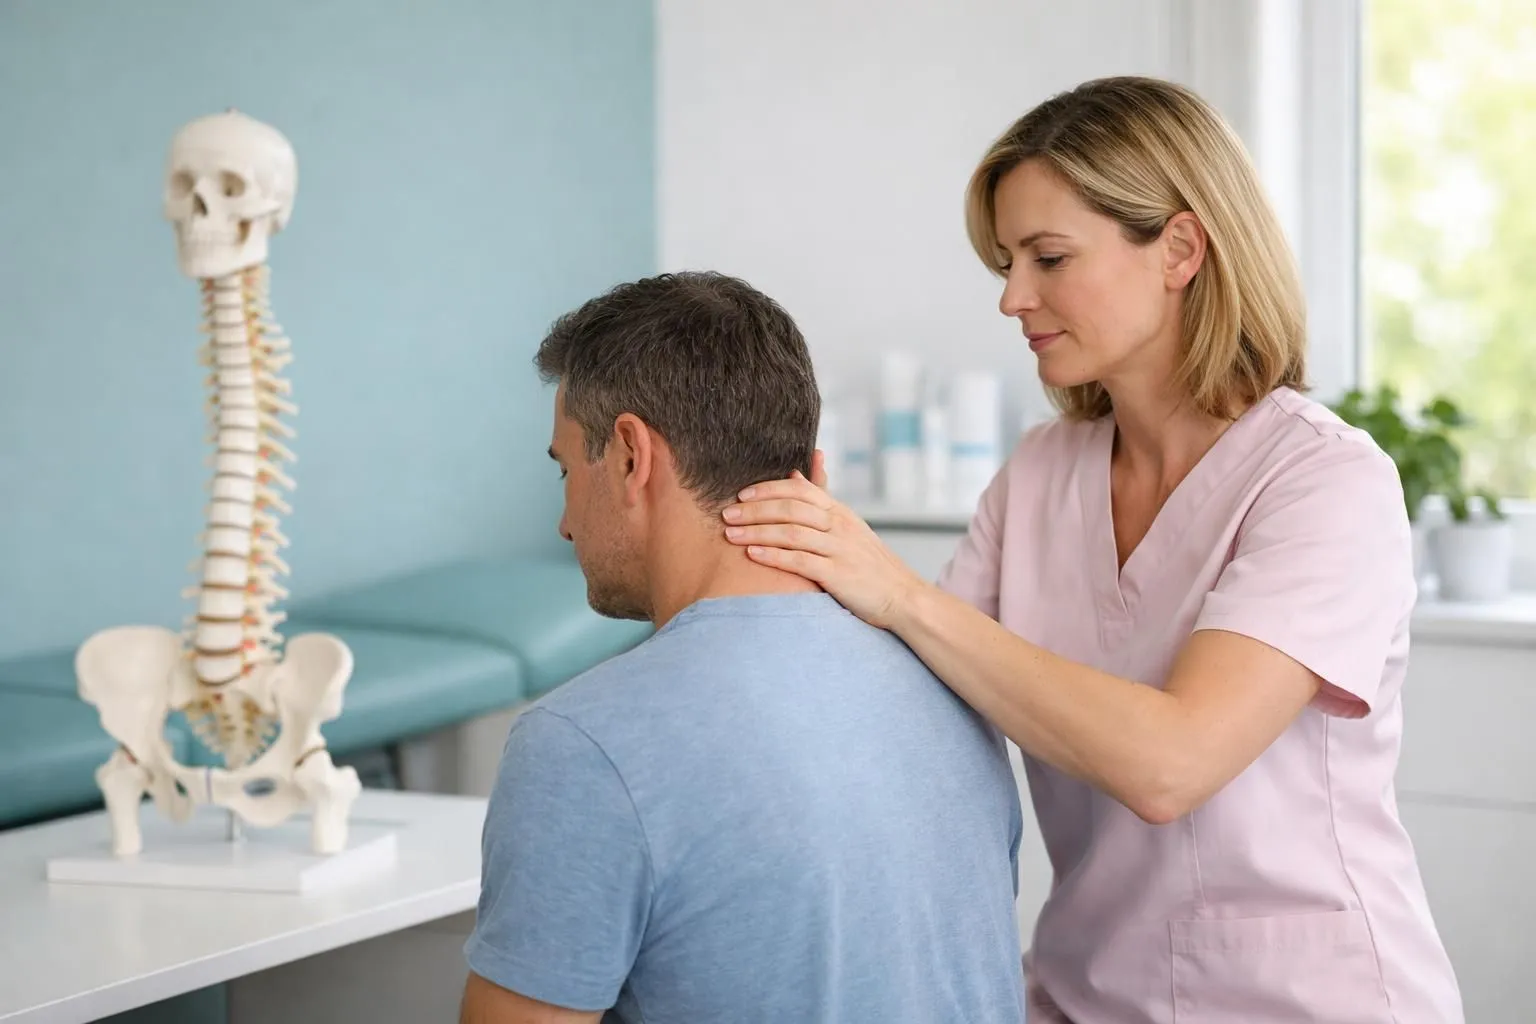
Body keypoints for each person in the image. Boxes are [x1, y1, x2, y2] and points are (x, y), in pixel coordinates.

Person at [721, 76, 1464, 1023]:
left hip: (1309, 1000)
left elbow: (1173, 763)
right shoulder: (1041, 474)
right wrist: (783, 565)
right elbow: (907, 700)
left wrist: (898, 592)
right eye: (1005, 263)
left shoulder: (1324, 482)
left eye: (1049, 257)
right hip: (1086, 994)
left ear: (1181, 250)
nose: (1012, 298)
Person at [458, 271, 1028, 1024]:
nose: (564, 523)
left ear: (631, 456)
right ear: (813, 476)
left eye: (567, 470)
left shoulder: (582, 745)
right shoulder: (955, 691)